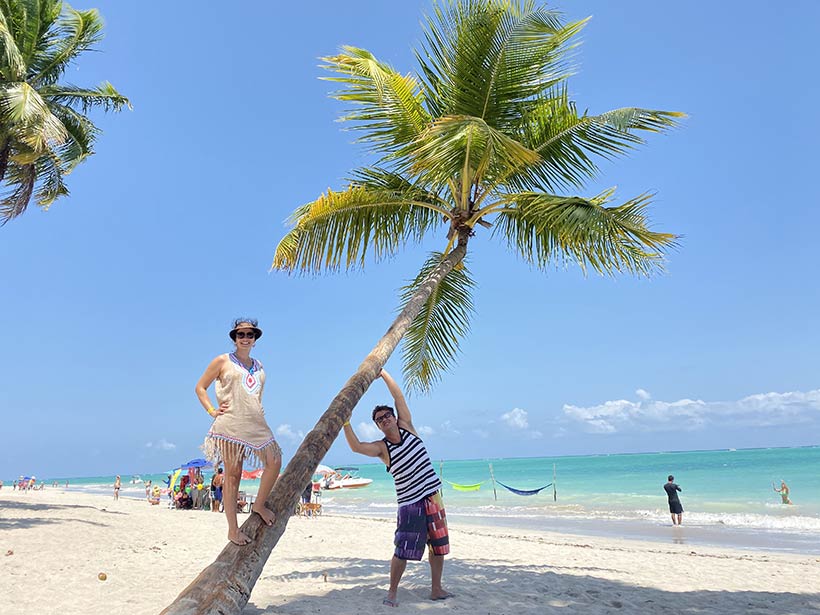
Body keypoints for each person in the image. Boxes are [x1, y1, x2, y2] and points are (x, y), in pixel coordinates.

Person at [342, 368, 452, 607]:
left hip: (433, 496)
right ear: (378, 426)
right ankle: (392, 592)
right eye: (379, 419)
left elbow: (399, 397)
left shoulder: (408, 427)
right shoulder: (382, 449)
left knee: (438, 546)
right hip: (410, 503)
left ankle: (436, 589)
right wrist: (346, 421)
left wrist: (382, 374)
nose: (385, 420)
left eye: (387, 416)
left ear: (393, 417)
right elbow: (357, 447)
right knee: (402, 549)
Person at [196, 318, 282, 545]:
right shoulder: (222, 361)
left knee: (275, 461)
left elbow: (256, 393)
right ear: (234, 338)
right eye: (241, 334)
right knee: (233, 475)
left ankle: (259, 504)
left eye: (250, 335)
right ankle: (233, 530)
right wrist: (212, 410)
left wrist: (259, 407)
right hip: (230, 423)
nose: (245, 338)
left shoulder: (260, 365)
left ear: (255, 339)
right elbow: (200, 387)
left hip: (255, 423)